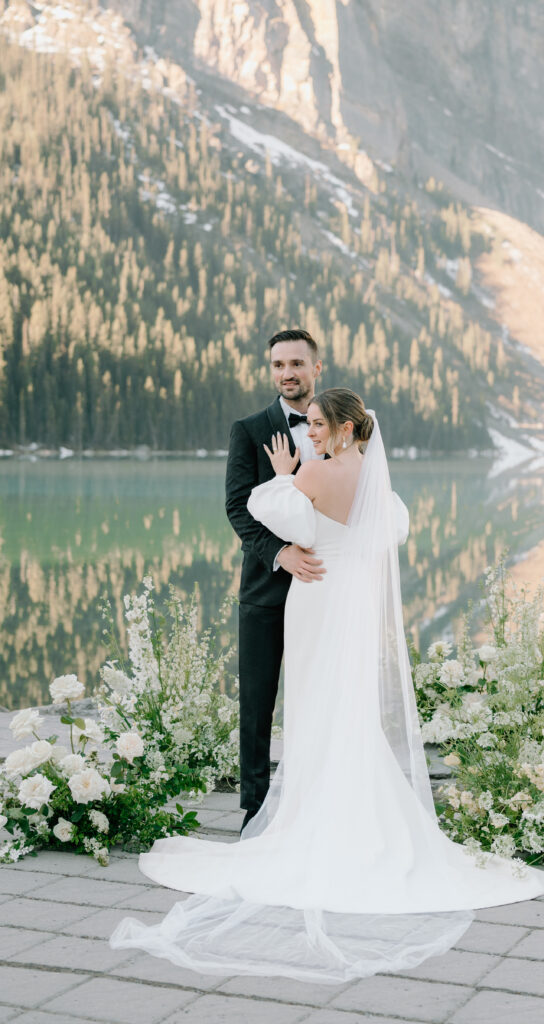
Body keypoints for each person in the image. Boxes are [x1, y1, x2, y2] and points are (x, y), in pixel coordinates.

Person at [110, 387, 544, 983]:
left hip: (318, 599)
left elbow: (267, 508)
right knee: (349, 708)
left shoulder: (314, 474)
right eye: (311, 424)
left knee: (317, 708)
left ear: (346, 428)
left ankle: (314, 816)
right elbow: (394, 529)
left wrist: (285, 472)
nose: (312, 432)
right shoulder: (376, 481)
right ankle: (360, 813)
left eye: (320, 424)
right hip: (353, 601)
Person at [224, 328, 326, 831]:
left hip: (326, 588)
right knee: (258, 702)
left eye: (296, 364)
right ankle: (255, 811)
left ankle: (317, 803)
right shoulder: (249, 429)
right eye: (278, 365)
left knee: (321, 697)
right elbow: (238, 508)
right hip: (265, 589)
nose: (287, 373)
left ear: (316, 369)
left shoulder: (340, 427)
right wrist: (280, 553)